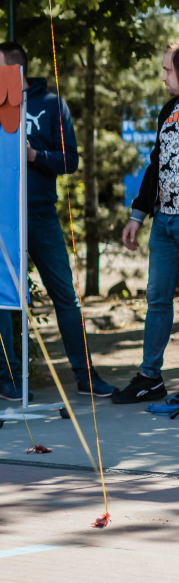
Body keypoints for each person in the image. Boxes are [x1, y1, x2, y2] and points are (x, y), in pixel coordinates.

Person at [0, 42, 116, 401]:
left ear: (16, 71)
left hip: (40, 215)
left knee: (65, 297)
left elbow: (70, 161)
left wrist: (34, 155)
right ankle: (8, 379)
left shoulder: (52, 105)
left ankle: (86, 377)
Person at [120, 43, 179, 403]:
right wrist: (137, 216)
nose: (162, 77)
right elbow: (156, 165)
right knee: (157, 299)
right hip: (164, 223)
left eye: (167, 70)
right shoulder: (168, 111)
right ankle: (150, 378)